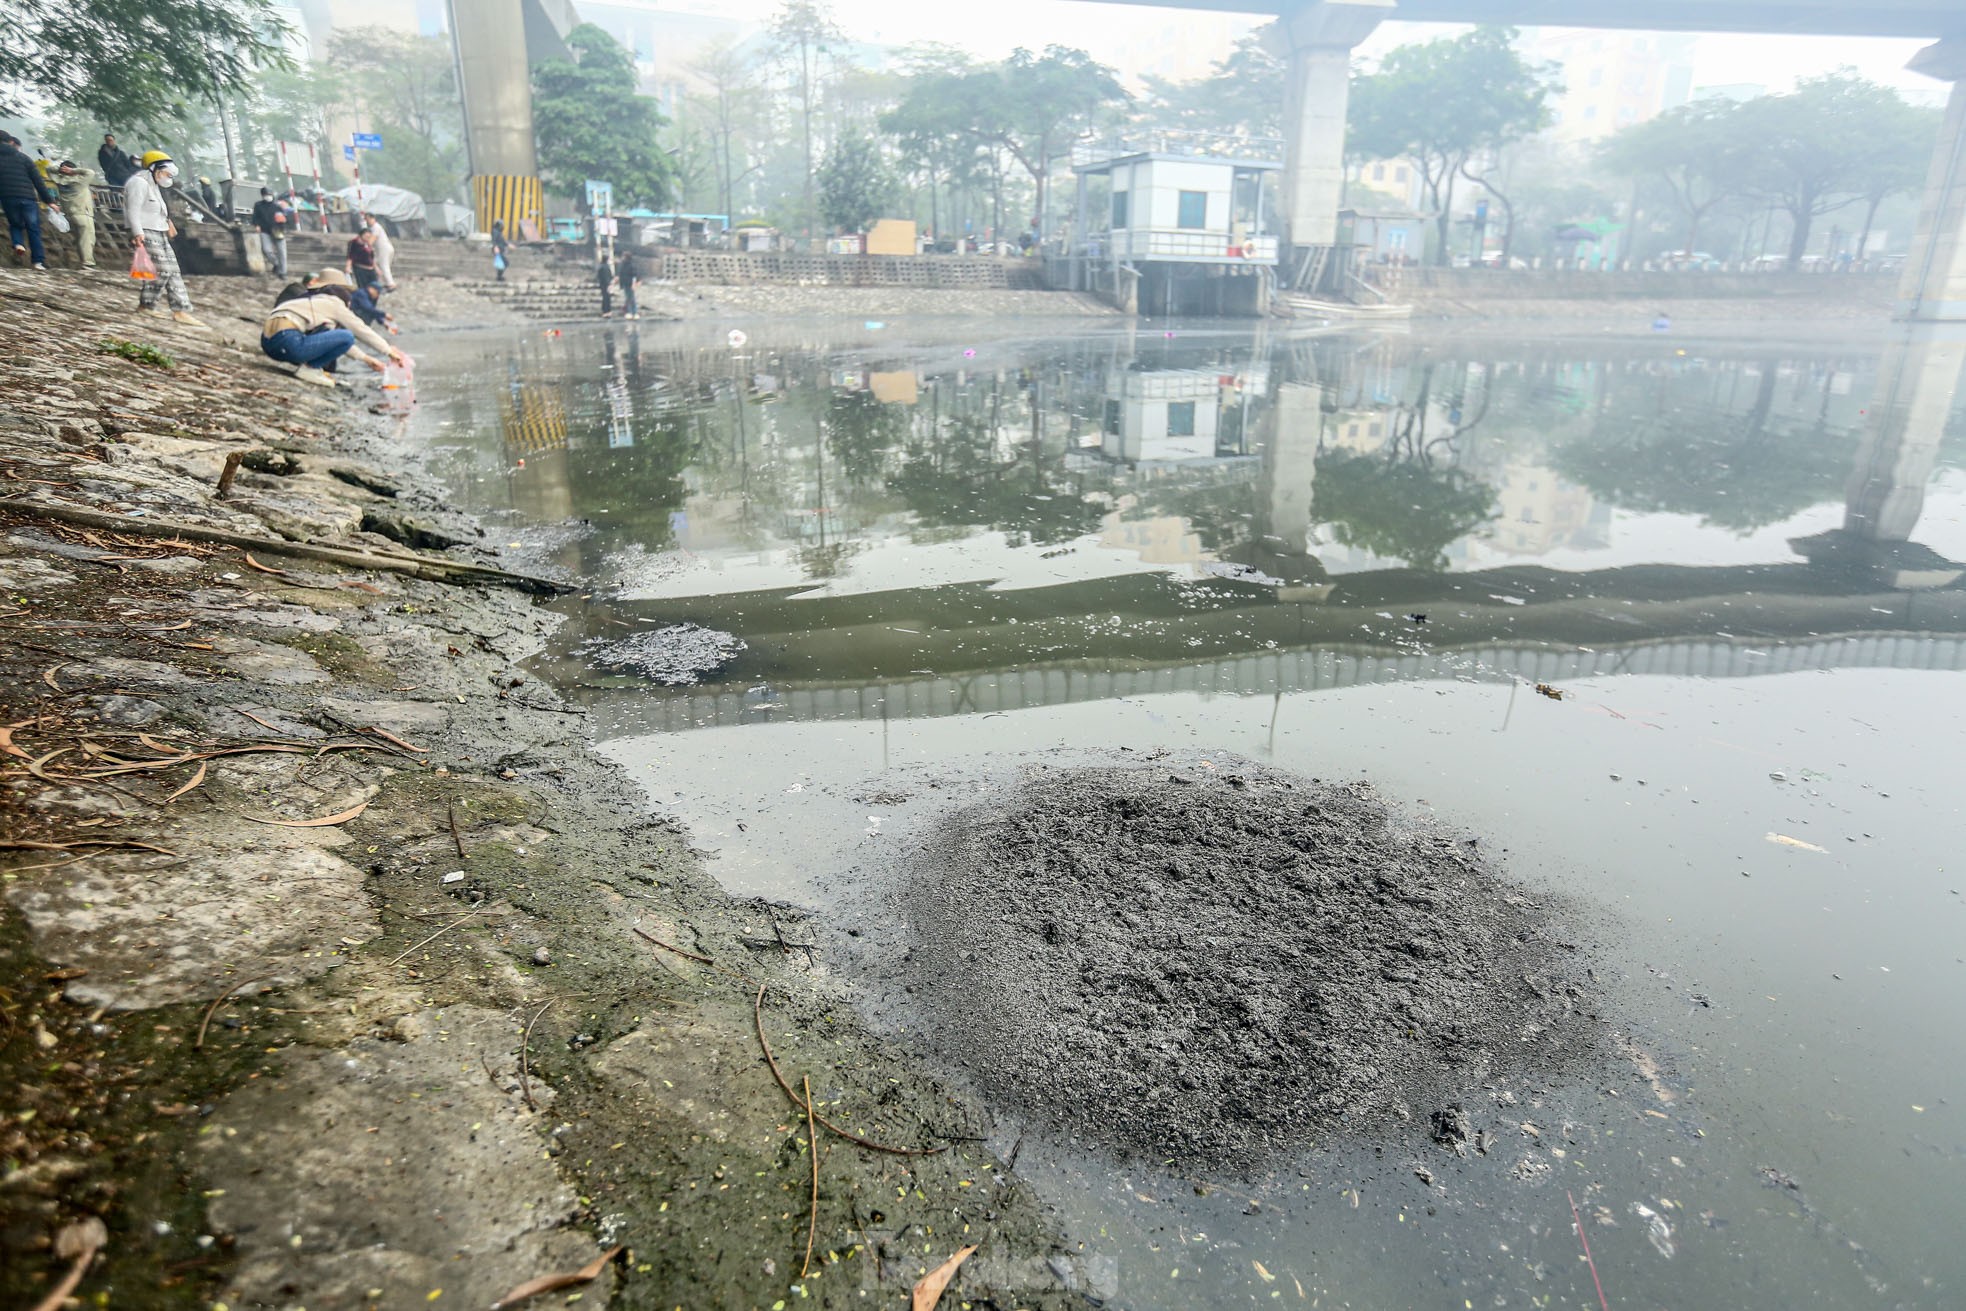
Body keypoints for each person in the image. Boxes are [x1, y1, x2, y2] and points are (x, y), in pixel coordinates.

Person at [259, 267, 406, 387]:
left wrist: (366, 359)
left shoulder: (306, 299)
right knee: (347, 335)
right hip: (288, 342)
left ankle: (314, 369)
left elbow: (332, 338)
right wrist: (388, 351)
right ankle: (311, 369)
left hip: (268, 344)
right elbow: (359, 329)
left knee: (332, 334)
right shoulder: (333, 302)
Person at [123, 150, 204, 327]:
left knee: (174, 270)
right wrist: (137, 233)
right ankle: (147, 305)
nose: (168, 177)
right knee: (163, 270)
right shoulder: (139, 183)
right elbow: (132, 210)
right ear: (154, 168)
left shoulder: (153, 184)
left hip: (159, 230)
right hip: (145, 231)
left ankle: (181, 310)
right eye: (166, 173)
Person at [0, 132, 59, 271]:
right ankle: (38, 262)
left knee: (15, 224)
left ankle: (18, 243)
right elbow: (38, 181)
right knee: (33, 228)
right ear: (10, 142)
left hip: (8, 197)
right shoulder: (24, 158)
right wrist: (49, 201)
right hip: (28, 197)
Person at [53, 161, 98, 269]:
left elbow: (49, 169)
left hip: (70, 214)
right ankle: (88, 262)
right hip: (83, 213)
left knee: (80, 238)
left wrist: (60, 170)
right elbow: (90, 172)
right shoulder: (79, 181)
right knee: (87, 238)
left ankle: (84, 261)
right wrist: (73, 171)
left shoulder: (59, 180)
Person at [250, 187, 288, 277]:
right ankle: (277, 264)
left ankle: (283, 273)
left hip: (278, 230)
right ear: (262, 196)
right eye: (266, 195)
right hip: (265, 230)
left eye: (269, 195)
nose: (268, 197)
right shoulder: (258, 205)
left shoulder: (277, 206)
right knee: (266, 250)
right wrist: (257, 225)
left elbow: (284, 218)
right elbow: (255, 218)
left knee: (282, 252)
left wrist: (283, 224)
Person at [366, 214, 396, 288]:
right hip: (384, 249)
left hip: (384, 249)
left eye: (368, 219)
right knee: (379, 265)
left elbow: (371, 241)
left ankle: (391, 283)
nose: (367, 221)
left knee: (384, 266)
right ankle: (383, 282)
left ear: (372, 218)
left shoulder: (376, 227)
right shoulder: (373, 228)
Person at [345, 226, 379, 292]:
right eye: (366, 236)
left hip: (370, 269)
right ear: (361, 235)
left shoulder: (367, 244)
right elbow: (350, 255)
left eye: (369, 237)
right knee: (363, 288)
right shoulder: (354, 242)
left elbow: (371, 257)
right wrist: (348, 266)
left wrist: (376, 268)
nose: (368, 238)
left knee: (374, 288)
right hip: (360, 268)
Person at [616, 248, 640, 320]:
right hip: (625, 284)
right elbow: (620, 274)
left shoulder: (631, 265)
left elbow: (634, 276)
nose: (622, 258)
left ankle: (633, 312)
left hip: (630, 284)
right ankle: (631, 312)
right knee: (629, 298)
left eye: (623, 256)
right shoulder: (623, 265)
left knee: (631, 298)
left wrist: (634, 284)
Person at [490, 218, 510, 282]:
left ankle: (499, 276)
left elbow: (503, 241)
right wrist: (495, 247)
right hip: (497, 250)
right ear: (499, 225)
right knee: (505, 263)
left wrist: (509, 245)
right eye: (502, 225)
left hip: (500, 250)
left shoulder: (498, 232)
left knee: (503, 263)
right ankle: (499, 277)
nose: (503, 227)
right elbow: (494, 240)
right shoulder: (495, 231)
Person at [596, 250, 614, 317]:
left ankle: (604, 311)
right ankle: (607, 311)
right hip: (606, 284)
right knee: (607, 298)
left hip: (602, 284)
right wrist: (609, 283)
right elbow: (608, 276)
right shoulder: (606, 267)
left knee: (605, 297)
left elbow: (599, 276)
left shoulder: (601, 266)